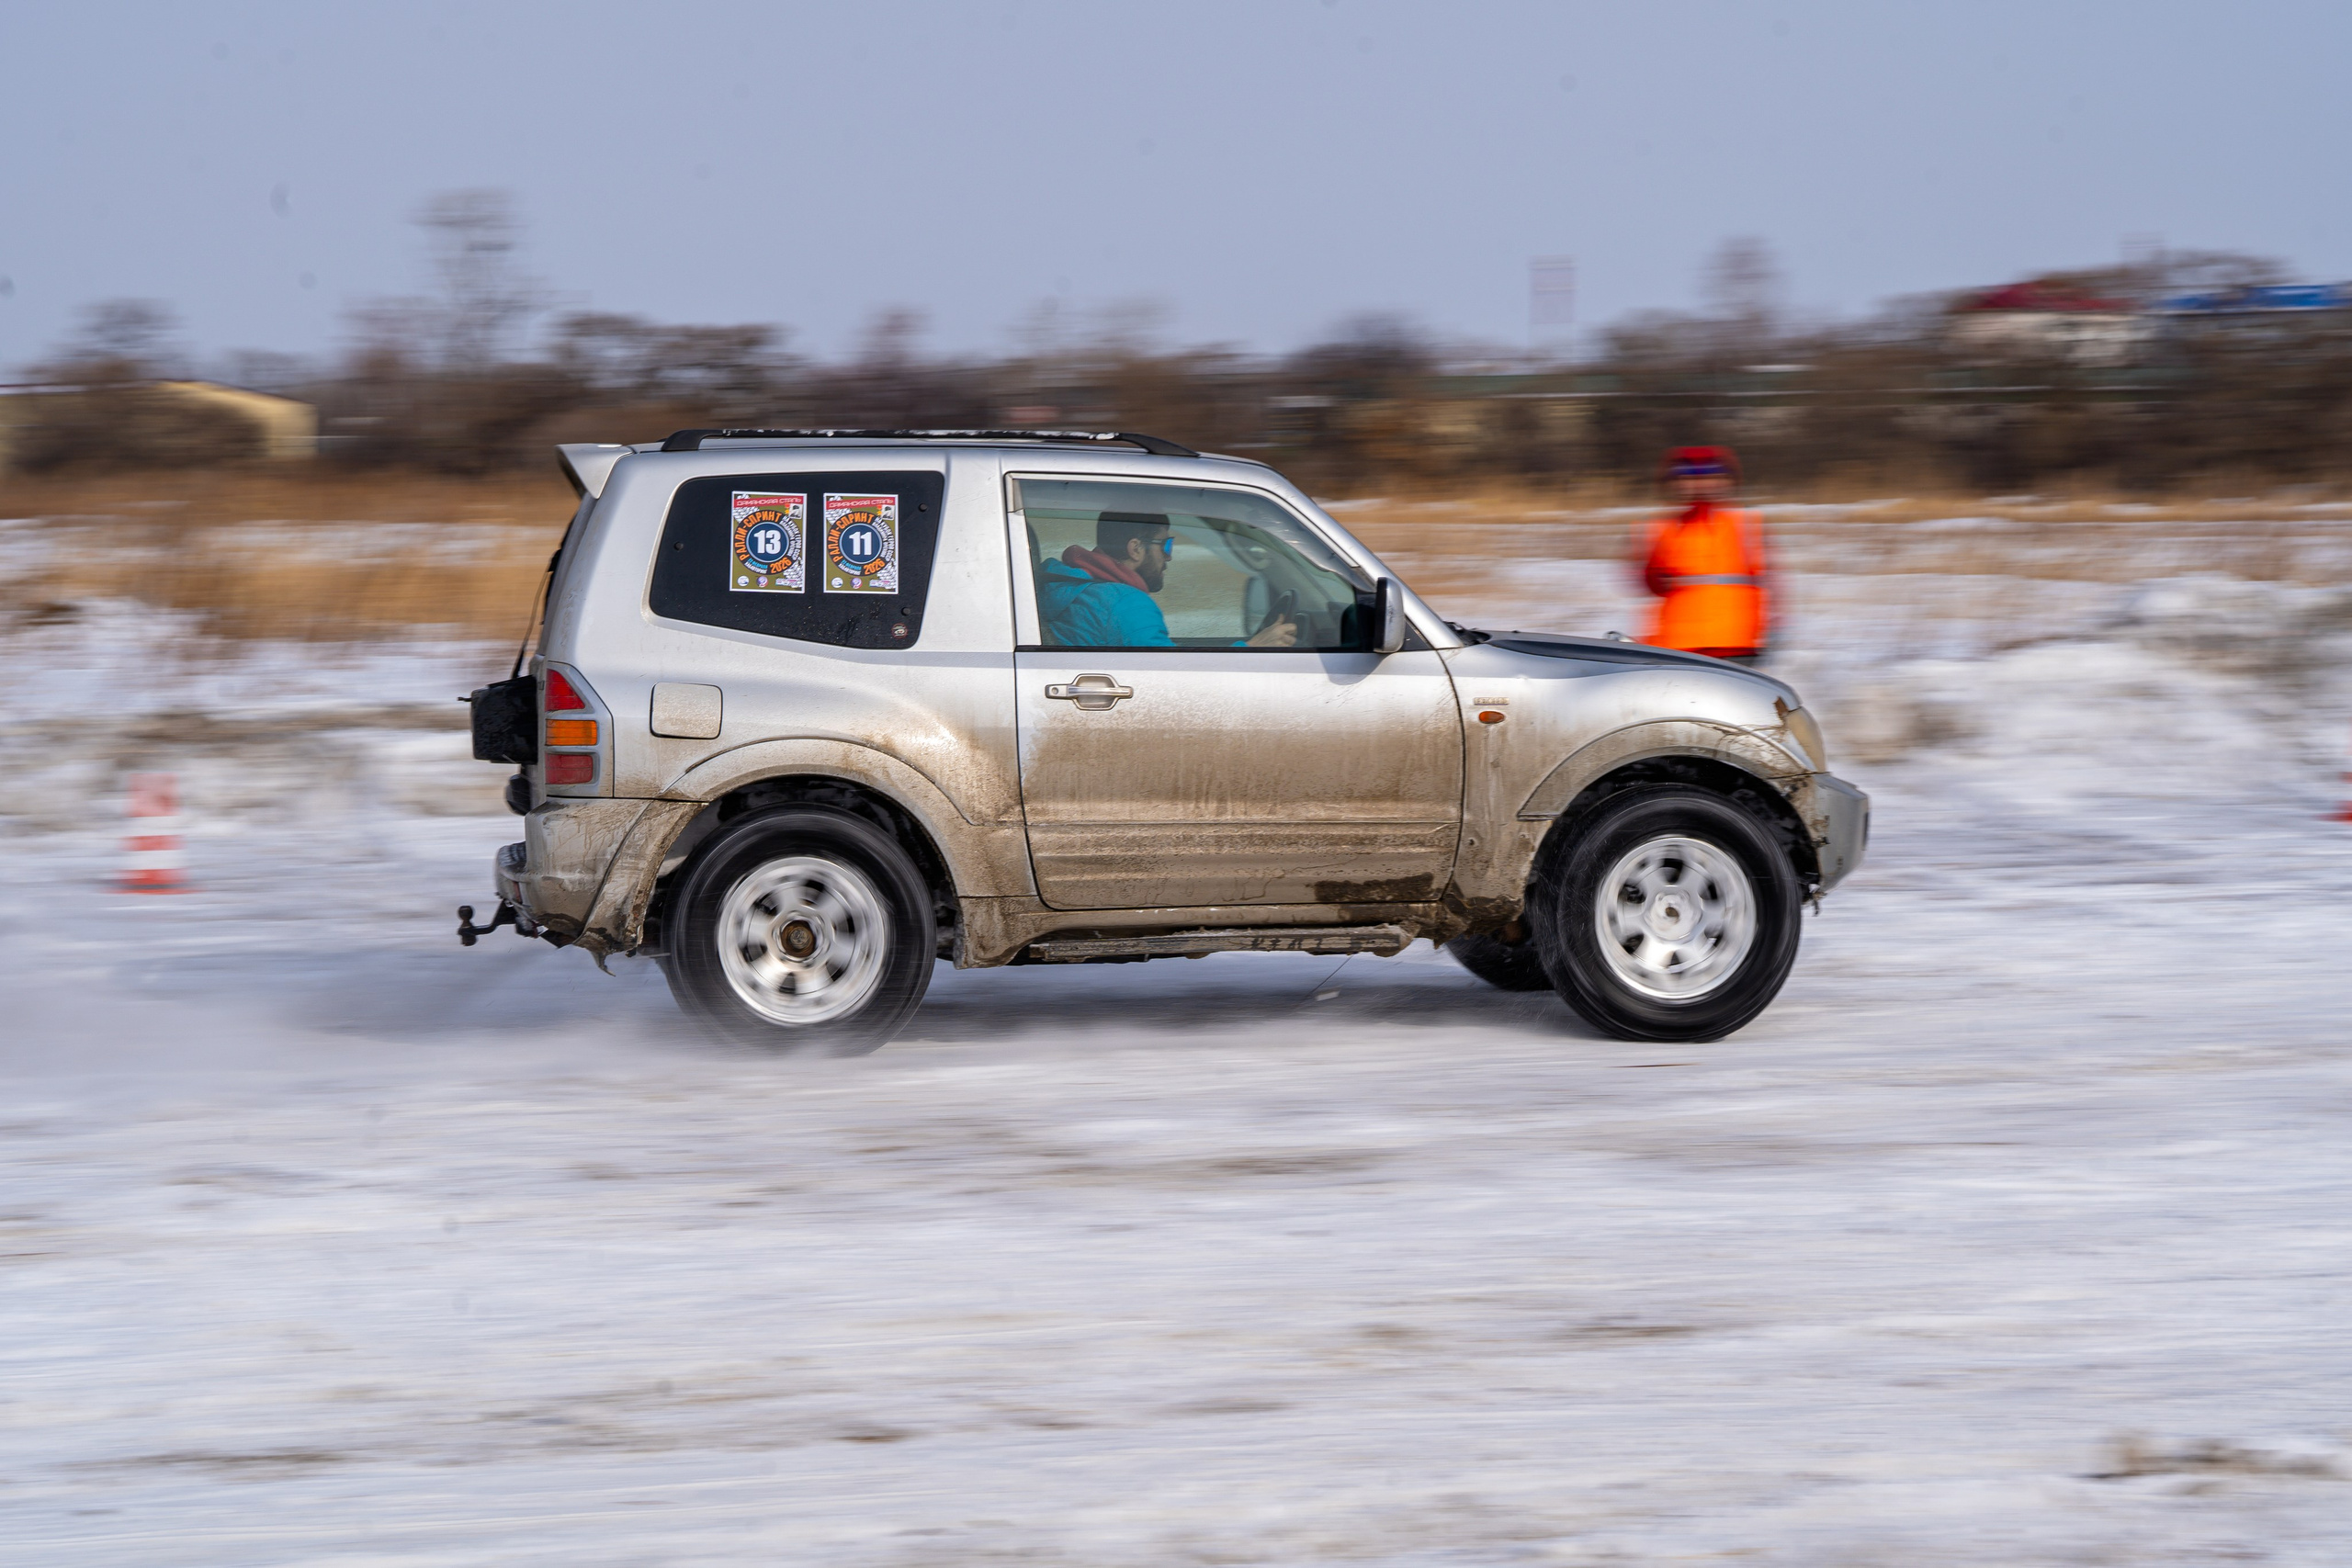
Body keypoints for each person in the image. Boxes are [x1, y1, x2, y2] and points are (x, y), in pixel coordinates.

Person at [1038, 511, 1299, 648]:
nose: (1169, 557)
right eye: (1165, 545)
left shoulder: (1068, 584)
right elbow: (1175, 677)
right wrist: (1253, 646)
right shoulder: (1125, 603)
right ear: (1136, 548)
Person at [1635, 445, 1769, 664]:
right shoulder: (1660, 528)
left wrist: (1776, 630)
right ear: (1671, 483)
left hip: (1736, 646)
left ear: (1728, 480)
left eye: (1711, 476)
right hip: (1679, 648)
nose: (1700, 484)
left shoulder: (1745, 524)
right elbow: (1648, 582)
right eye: (1686, 477)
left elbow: (1772, 583)